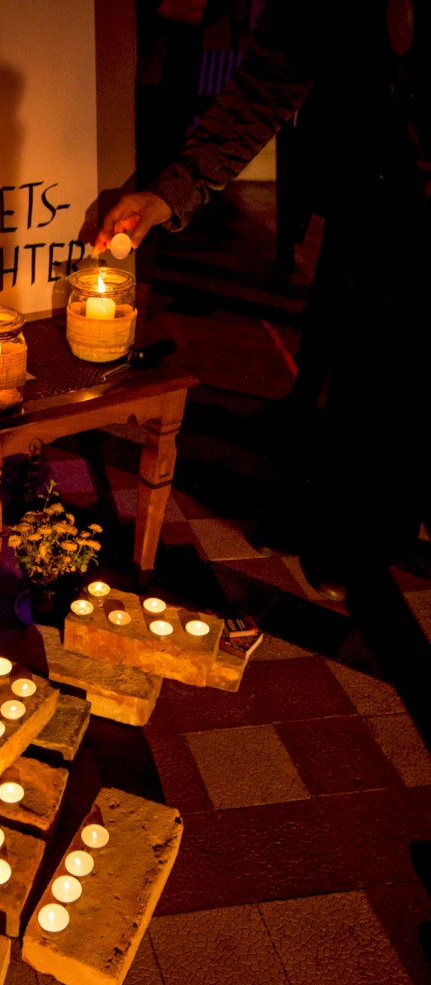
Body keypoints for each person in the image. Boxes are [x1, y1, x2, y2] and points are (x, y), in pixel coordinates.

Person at [95, 0, 430, 602]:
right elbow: (266, 84)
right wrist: (167, 196)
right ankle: (349, 519)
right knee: (358, 347)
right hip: (376, 184)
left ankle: (375, 529)